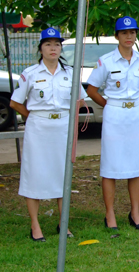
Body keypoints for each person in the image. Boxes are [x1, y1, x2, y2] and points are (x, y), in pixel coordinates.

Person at [10, 27, 86, 242]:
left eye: (57, 44)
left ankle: (64, 223)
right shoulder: (31, 73)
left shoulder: (70, 73)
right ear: (40, 48)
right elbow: (15, 102)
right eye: (48, 44)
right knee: (35, 175)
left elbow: (79, 99)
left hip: (63, 127)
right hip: (39, 129)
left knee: (62, 175)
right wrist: (32, 117)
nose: (53, 48)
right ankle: (35, 226)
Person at [86, 16, 139, 230]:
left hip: (134, 115)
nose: (129, 36)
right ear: (117, 35)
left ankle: (135, 213)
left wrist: (131, 102)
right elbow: (91, 90)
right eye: (124, 33)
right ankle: (110, 214)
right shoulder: (106, 61)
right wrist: (110, 104)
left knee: (135, 164)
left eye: (132, 32)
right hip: (114, 114)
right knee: (111, 165)